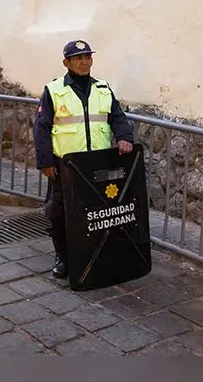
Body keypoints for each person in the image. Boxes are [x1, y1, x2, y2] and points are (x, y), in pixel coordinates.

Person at [33, 39, 135, 279]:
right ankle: (63, 257)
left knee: (97, 212)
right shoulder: (54, 90)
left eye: (88, 57)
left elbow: (117, 117)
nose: (84, 62)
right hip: (66, 164)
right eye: (79, 58)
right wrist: (46, 162)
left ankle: (93, 254)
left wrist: (124, 137)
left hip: (96, 165)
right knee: (60, 213)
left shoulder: (103, 88)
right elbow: (41, 128)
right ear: (66, 62)